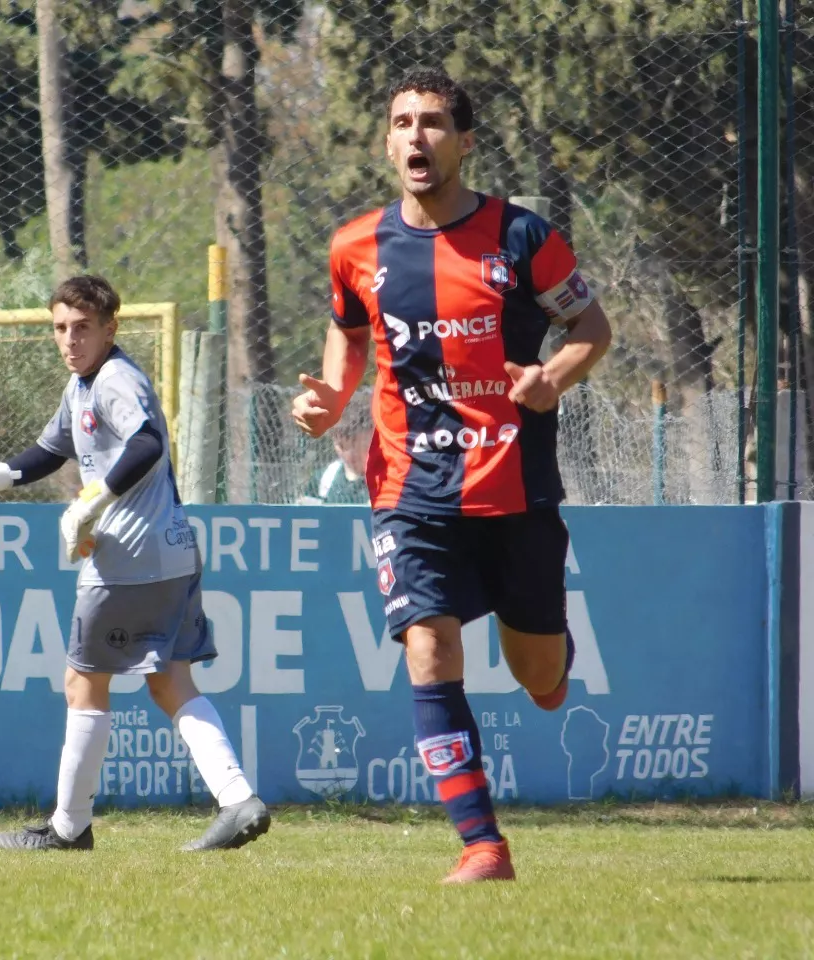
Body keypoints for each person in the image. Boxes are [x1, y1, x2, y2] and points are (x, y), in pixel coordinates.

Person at [291, 68, 612, 884]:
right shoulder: (354, 245)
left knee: (541, 678)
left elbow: (590, 324)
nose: (416, 135)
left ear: (465, 142)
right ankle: (482, 845)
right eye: (402, 121)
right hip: (408, 487)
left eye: (433, 122)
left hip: (514, 487)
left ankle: (546, 649)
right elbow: (349, 333)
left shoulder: (523, 236)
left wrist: (553, 378)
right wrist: (333, 395)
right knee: (428, 649)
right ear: (387, 141)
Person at [0, 275, 270, 852]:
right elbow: (53, 450)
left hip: (128, 557)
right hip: (173, 552)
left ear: (110, 328)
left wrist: (94, 499)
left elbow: (147, 443)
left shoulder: (115, 378)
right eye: (59, 328)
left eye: (82, 328)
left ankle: (69, 828)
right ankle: (238, 799)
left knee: (82, 683)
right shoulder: (81, 385)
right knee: (170, 680)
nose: (69, 340)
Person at [297, 391, 371, 506]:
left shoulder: (390, 479)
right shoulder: (324, 479)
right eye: (342, 446)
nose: (352, 454)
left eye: (362, 446)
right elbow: (307, 518)